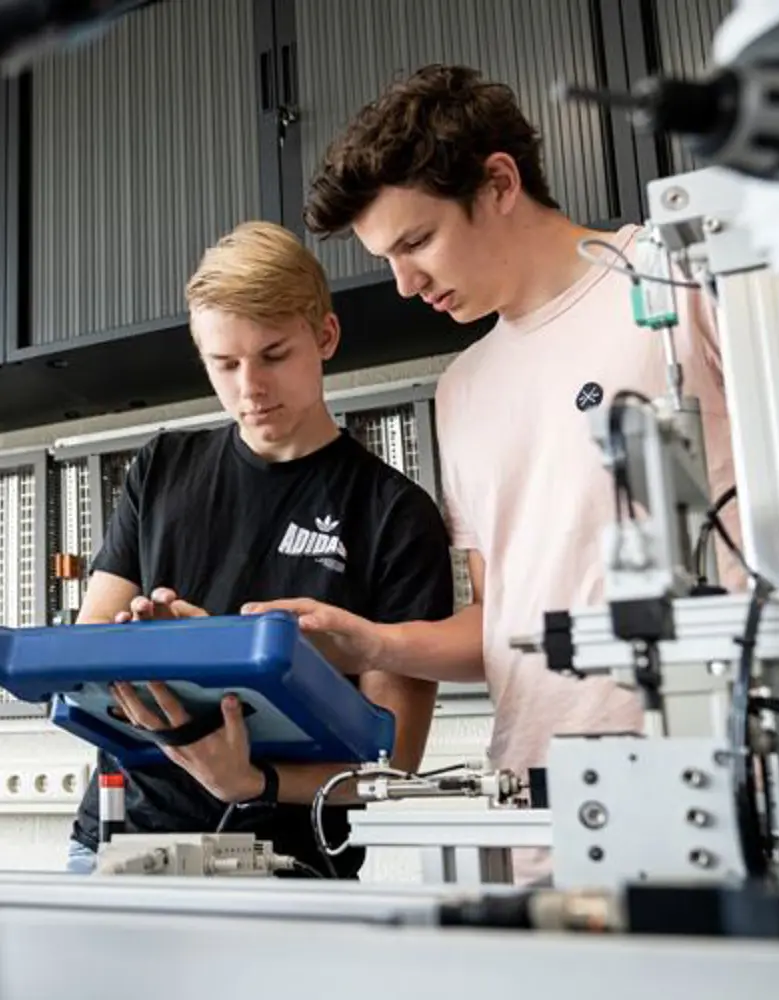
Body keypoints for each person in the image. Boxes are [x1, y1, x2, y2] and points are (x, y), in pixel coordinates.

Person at [241, 64, 744, 884]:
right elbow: (502, 623)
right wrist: (368, 640)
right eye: (387, 257)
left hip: (719, 779)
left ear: (499, 182)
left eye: (416, 242)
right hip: (544, 807)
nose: (404, 283)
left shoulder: (676, 276)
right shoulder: (462, 389)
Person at [66, 220, 454, 878]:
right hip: (119, 839)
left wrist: (254, 780)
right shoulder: (160, 465)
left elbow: (390, 763)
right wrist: (177, 649)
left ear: (324, 336)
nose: (250, 387)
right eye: (225, 363)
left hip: (290, 863)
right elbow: (87, 657)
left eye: (274, 355)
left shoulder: (394, 515)